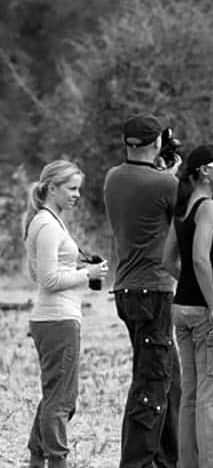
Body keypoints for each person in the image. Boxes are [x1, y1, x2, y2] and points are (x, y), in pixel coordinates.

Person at [104, 115, 182, 468]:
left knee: (169, 380)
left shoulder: (113, 177)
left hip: (127, 288)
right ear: (157, 143)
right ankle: (137, 462)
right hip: (154, 290)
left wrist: (165, 171)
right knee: (151, 384)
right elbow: (182, 212)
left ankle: (165, 459)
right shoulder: (164, 183)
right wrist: (173, 174)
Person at [23, 160, 109, 468]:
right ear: (52, 188)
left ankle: (37, 456)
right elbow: (46, 280)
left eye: (78, 189)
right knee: (61, 402)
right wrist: (87, 273)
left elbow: (46, 273)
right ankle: (57, 460)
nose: (76, 195)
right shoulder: (46, 225)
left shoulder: (50, 221)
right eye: (71, 188)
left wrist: (79, 271)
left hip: (59, 317)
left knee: (56, 397)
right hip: (56, 319)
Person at [162, 143, 213, 468]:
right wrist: (211, 306)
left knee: (192, 396)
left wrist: (189, 287)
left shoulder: (182, 209)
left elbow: (168, 260)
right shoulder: (208, 208)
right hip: (207, 313)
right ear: (204, 172)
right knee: (212, 397)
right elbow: (199, 257)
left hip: (181, 309)